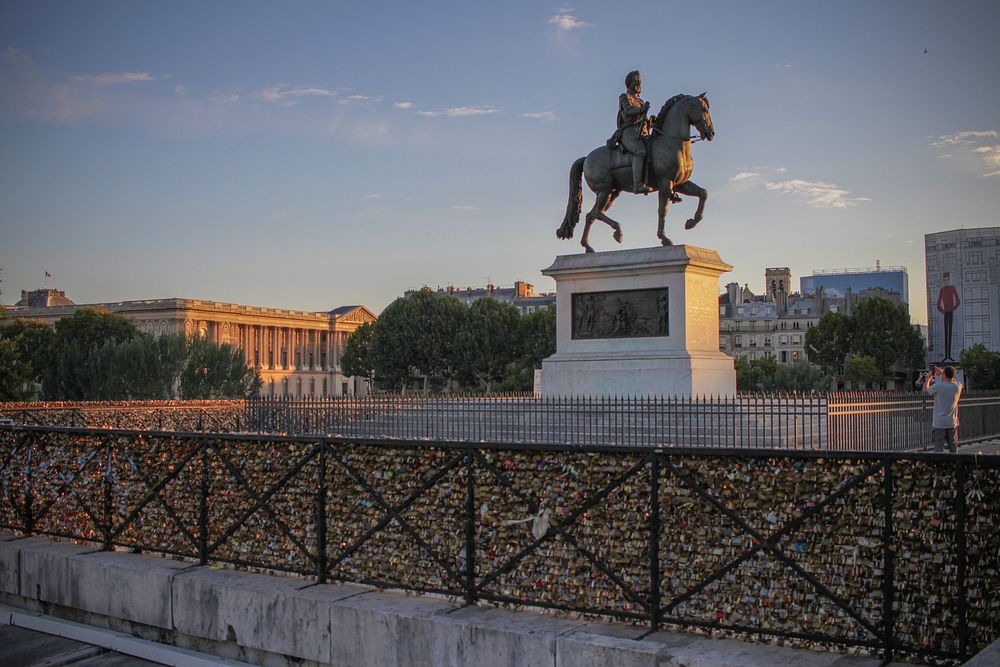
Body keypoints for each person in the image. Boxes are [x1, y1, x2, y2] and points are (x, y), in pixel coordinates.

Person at [615, 70, 652, 194]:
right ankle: (638, 185)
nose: (639, 84)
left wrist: (651, 121)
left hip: (642, 134)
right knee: (640, 151)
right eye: (636, 81)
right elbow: (629, 112)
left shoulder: (640, 101)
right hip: (629, 132)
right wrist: (642, 110)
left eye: (640, 82)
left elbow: (644, 120)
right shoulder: (625, 97)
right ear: (629, 84)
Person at [922, 365, 963, 452]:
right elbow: (955, 380)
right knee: (953, 449)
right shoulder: (957, 387)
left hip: (939, 423)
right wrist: (943, 373)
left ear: (944, 375)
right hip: (952, 423)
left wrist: (928, 378)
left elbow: (925, 389)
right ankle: (954, 464)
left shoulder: (939, 386)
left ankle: (939, 464)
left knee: (938, 449)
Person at [936, 272, 961, 362]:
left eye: (947, 280)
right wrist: (944, 311)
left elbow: (958, 301)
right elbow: (938, 305)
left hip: (950, 312)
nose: (946, 282)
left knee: (950, 332)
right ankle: (946, 356)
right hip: (946, 313)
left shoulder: (952, 289)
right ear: (943, 281)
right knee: (946, 333)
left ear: (949, 280)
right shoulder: (942, 290)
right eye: (945, 280)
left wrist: (952, 309)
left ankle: (949, 356)